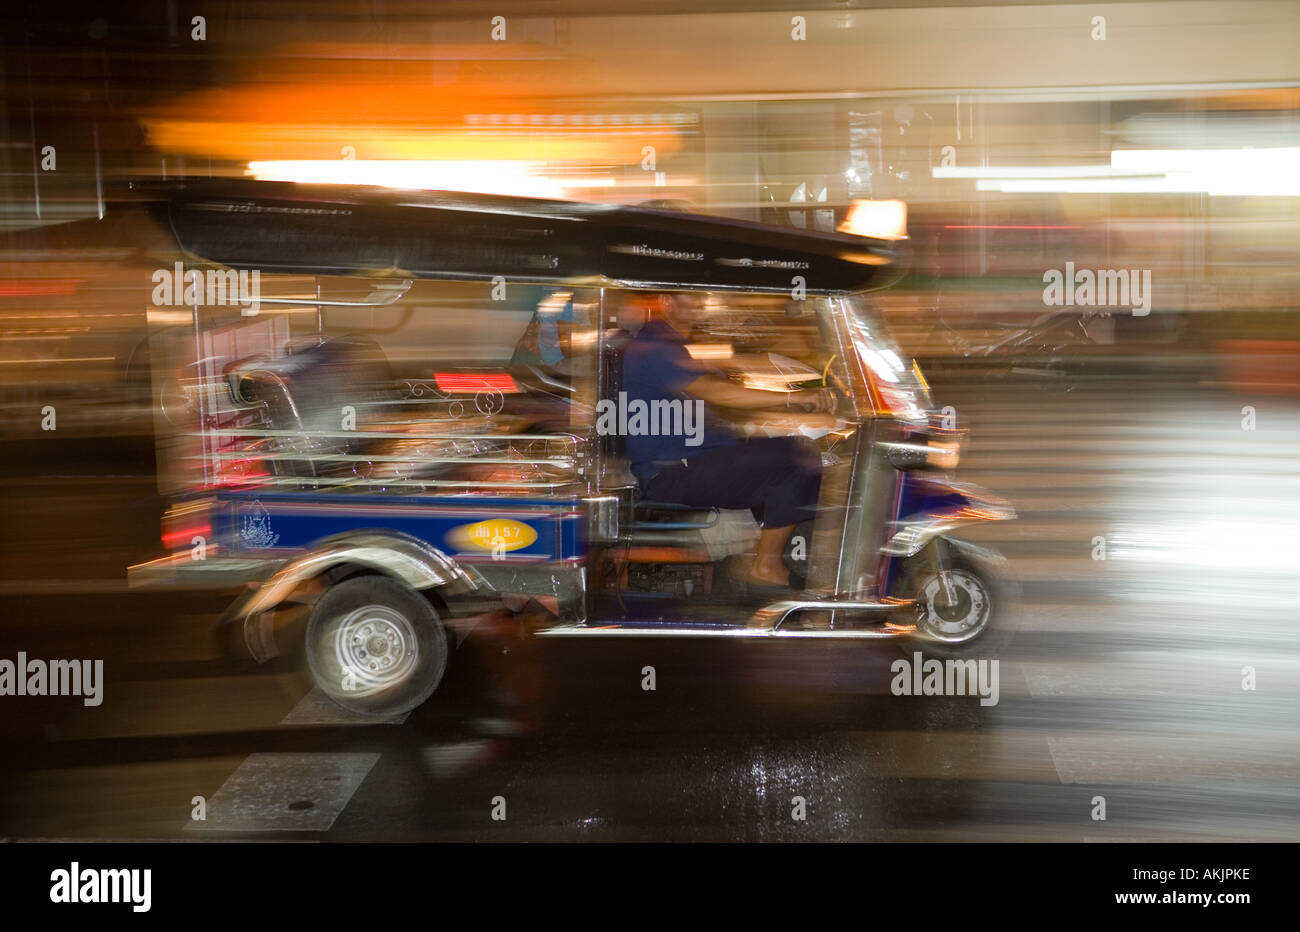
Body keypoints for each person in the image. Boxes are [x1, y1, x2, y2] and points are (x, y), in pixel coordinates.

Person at [620, 292, 834, 592]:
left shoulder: (685, 348)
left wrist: (787, 416)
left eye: (703, 297)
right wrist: (798, 397)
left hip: (702, 460)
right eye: (691, 297)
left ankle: (756, 564)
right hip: (673, 470)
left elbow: (726, 410)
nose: (701, 303)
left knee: (794, 454)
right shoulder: (655, 346)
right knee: (796, 457)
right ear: (667, 302)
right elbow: (719, 393)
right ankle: (766, 567)